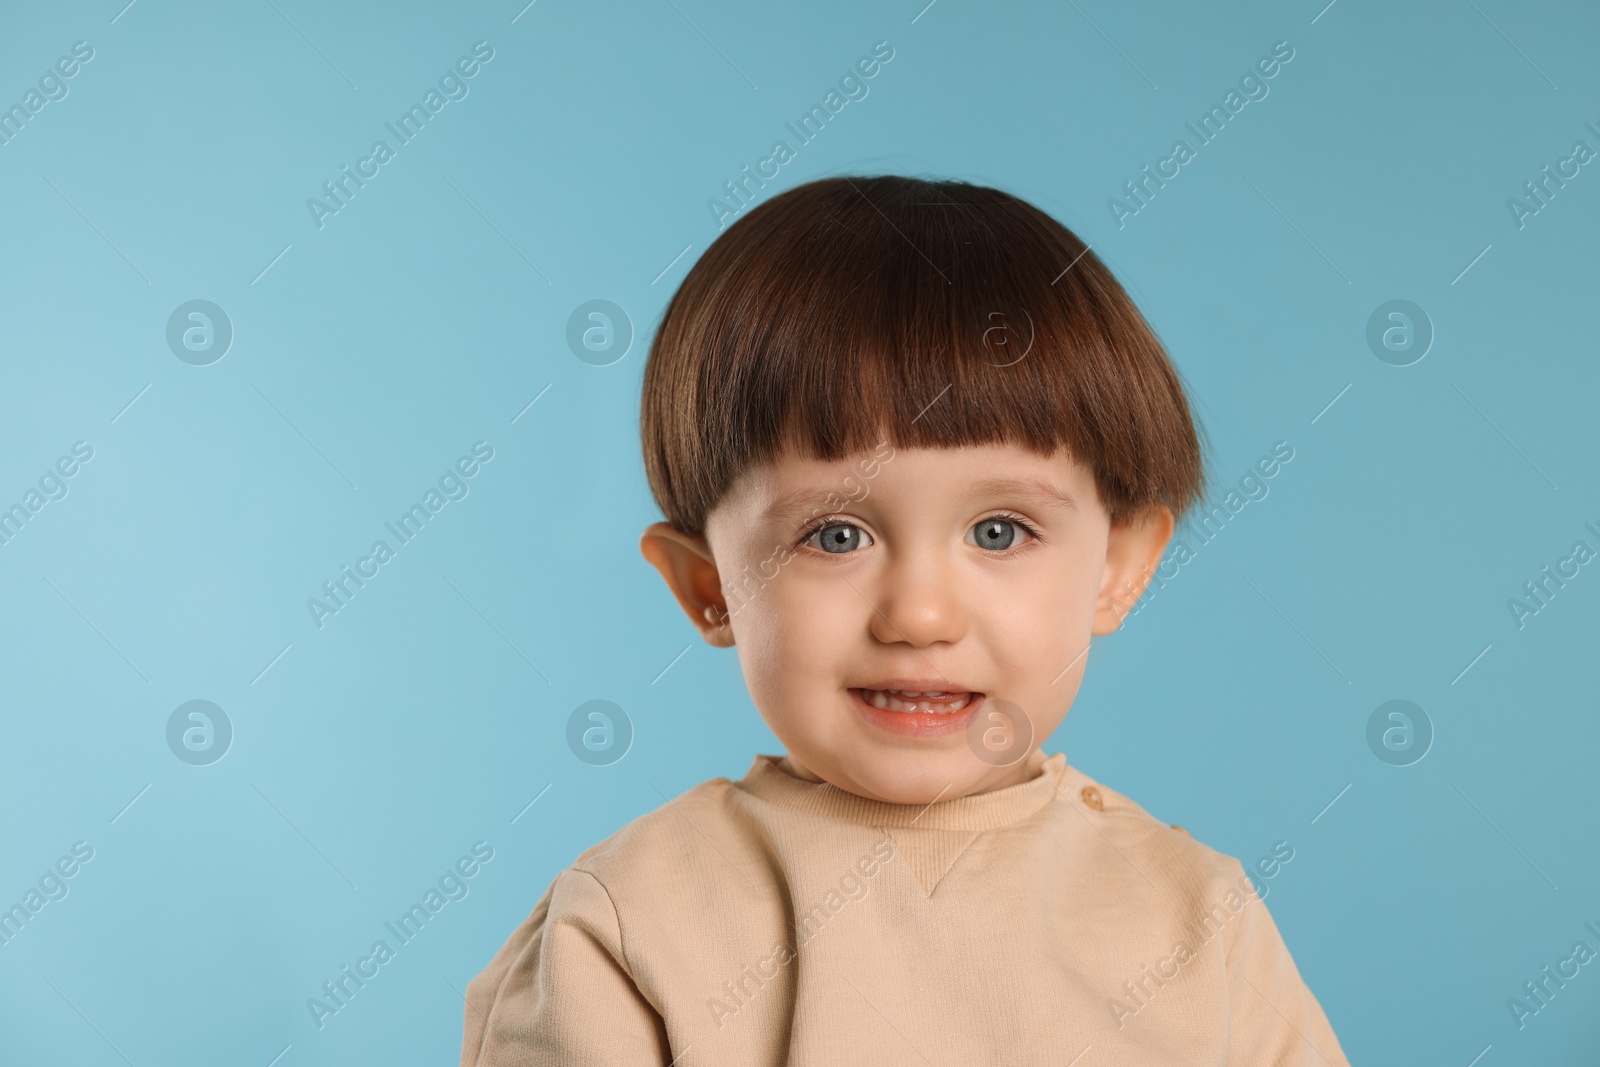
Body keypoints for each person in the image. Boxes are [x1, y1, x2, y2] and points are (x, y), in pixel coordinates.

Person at [459, 174, 1351, 1065]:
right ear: (709, 585)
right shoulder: (626, 927)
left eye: (1000, 531)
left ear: (1119, 567)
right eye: (835, 534)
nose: (919, 615)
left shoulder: (1202, 923)